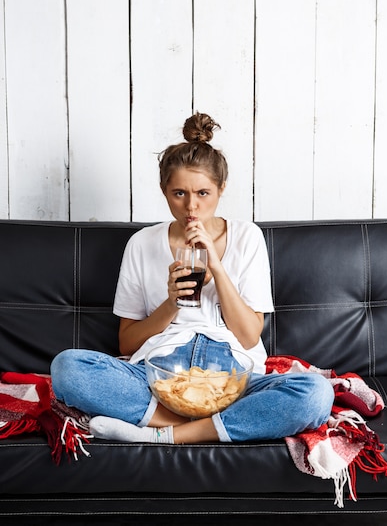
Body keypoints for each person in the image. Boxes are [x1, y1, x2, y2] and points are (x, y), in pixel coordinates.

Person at [51, 113, 333, 444]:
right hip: (158, 375)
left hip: (232, 378)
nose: (191, 207)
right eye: (179, 194)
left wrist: (215, 263)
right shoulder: (142, 244)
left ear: (221, 189)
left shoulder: (246, 237)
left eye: (203, 193)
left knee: (316, 394)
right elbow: (127, 344)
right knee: (67, 368)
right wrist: (170, 304)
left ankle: (168, 434)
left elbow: (248, 334)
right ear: (164, 191)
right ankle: (209, 424)